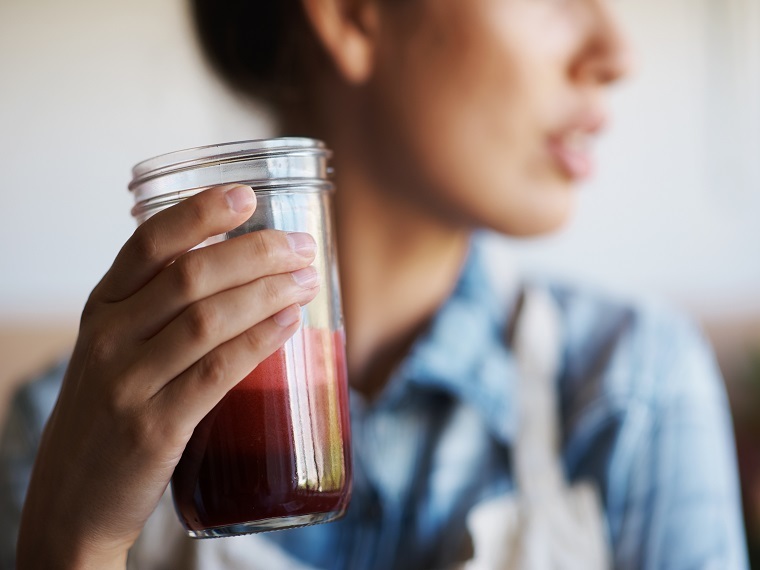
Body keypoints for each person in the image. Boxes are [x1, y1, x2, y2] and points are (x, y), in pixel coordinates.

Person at [0, 0, 749, 568]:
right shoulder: (72, 432)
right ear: (353, 16)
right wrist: (77, 542)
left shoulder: (633, 388)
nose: (616, 53)